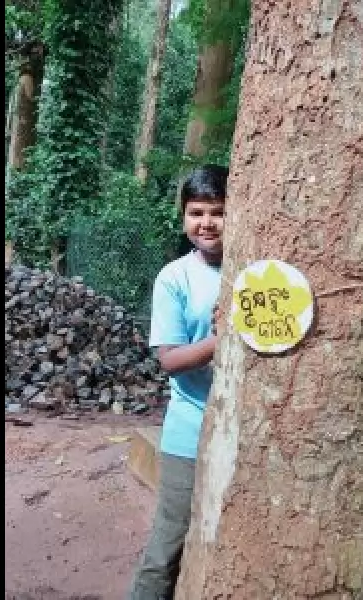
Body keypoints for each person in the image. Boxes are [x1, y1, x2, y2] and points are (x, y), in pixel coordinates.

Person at [129, 164, 228, 600]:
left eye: (217, 211)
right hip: (189, 433)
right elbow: (169, 359)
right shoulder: (175, 278)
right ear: (184, 216)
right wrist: (222, 339)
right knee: (167, 547)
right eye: (196, 212)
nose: (206, 223)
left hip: (245, 438)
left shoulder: (257, 272)